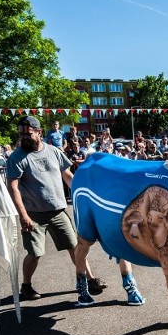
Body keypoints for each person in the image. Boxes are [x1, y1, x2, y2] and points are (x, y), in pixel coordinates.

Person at [6, 116, 107, 303]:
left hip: (58, 210)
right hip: (33, 214)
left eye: (28, 134)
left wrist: (85, 193)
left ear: (39, 133)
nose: (24, 138)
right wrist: (23, 215)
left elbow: (67, 176)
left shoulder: (54, 152)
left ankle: (90, 280)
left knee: (76, 248)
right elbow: (12, 187)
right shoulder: (16, 157)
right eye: (21, 134)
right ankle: (26, 286)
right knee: (34, 253)